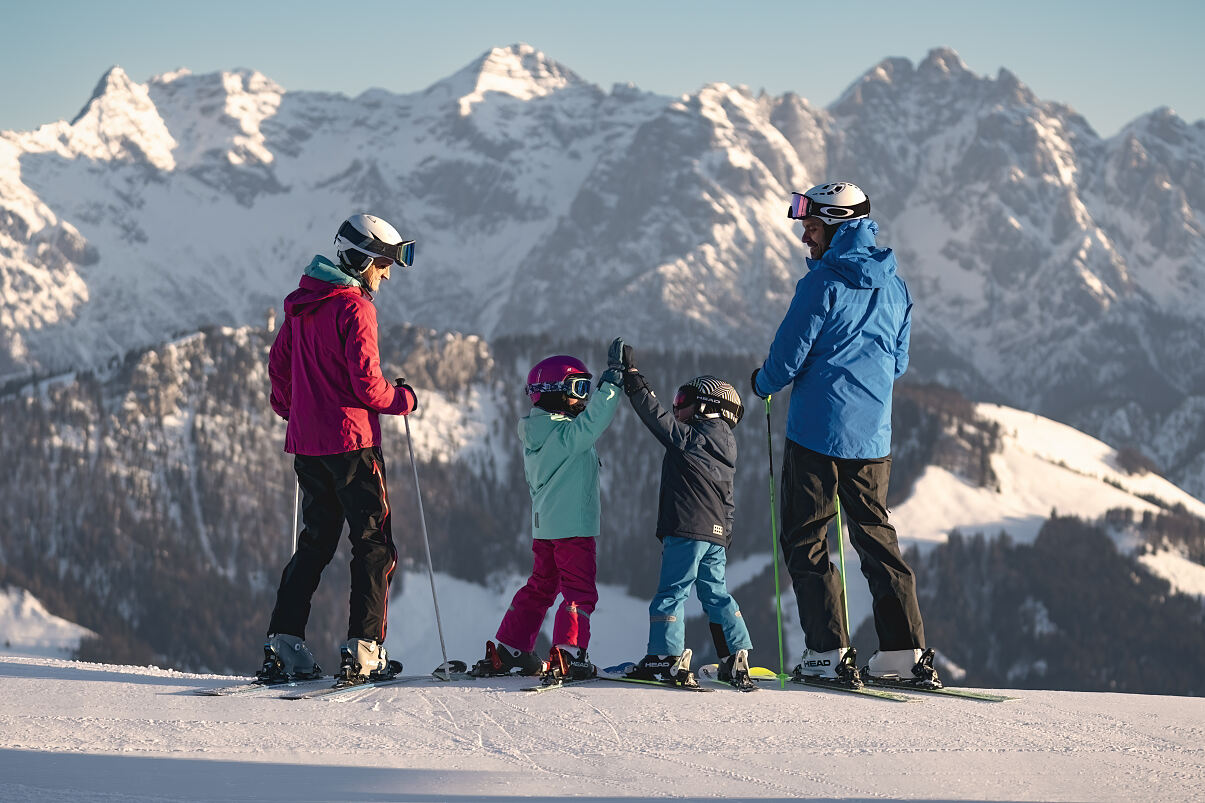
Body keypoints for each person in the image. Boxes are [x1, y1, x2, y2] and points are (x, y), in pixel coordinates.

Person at [751, 182, 940, 688]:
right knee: (876, 539)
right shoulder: (895, 286)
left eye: (811, 227)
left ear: (836, 226)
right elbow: (898, 363)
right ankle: (904, 652)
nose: (805, 237)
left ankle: (828, 652)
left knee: (808, 537)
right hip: (873, 439)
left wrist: (761, 383)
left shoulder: (822, 284)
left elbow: (787, 357)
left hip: (816, 432)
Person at [260, 213, 419, 686]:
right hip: (354, 444)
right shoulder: (355, 308)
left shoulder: (301, 305)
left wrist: (292, 408)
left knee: (315, 542)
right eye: (386, 264)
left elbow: (279, 369)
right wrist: (404, 398)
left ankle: (283, 645)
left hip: (308, 447)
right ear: (365, 259)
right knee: (373, 543)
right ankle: (365, 649)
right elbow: (367, 387)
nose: (388, 274)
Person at [471, 349, 624, 681]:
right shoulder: (565, 435)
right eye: (578, 388)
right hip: (573, 529)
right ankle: (569, 652)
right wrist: (610, 384)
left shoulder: (537, 433)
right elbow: (593, 422)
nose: (583, 398)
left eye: (587, 388)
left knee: (541, 586)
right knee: (578, 590)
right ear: (555, 392)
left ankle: (511, 648)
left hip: (545, 529)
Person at [612, 340, 754, 688]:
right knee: (715, 593)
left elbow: (656, 418)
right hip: (715, 535)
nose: (677, 408)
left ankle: (665, 657)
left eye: (684, 402)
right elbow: (728, 501)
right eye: (677, 401)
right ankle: (735, 656)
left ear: (708, 408)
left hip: (687, 529)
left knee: (672, 591)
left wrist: (633, 380)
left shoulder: (692, 439)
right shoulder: (726, 449)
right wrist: (724, 535)